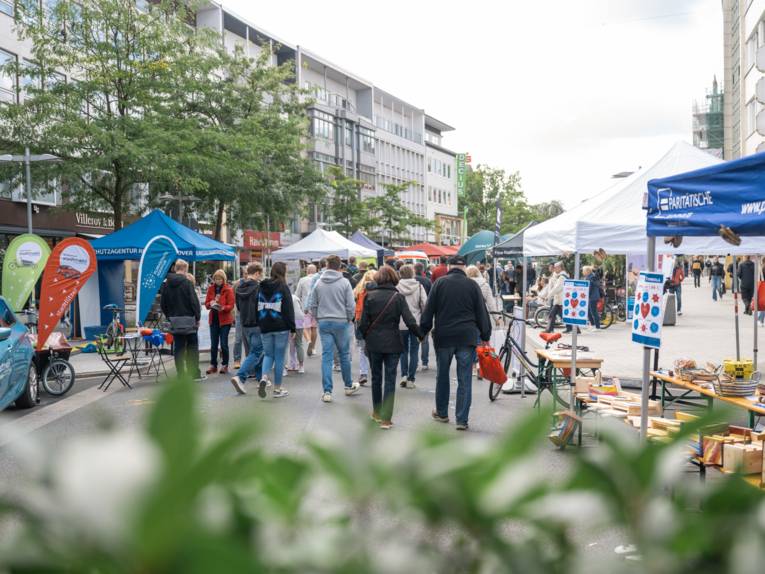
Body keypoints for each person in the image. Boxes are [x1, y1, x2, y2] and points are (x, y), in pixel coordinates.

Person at [420, 255, 492, 431]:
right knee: (465, 378)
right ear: (464, 267)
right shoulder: (473, 285)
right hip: (467, 337)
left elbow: (429, 310)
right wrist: (485, 334)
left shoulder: (439, 284)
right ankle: (462, 419)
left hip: (444, 336)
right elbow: (482, 312)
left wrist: (423, 330)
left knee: (442, 375)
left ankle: (442, 413)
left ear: (449, 267)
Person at [360, 266, 422, 430]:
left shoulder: (370, 296)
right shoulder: (398, 297)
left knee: (376, 378)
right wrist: (420, 334)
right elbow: (409, 321)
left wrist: (366, 336)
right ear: (394, 278)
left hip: (374, 343)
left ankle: (376, 413)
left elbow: (363, 323)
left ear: (378, 279)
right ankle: (387, 419)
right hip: (393, 343)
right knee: (389, 380)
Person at [310, 254, 359, 402]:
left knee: (327, 356)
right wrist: (349, 318)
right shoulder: (344, 283)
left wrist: (318, 318)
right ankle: (348, 386)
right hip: (341, 321)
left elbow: (313, 305)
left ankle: (327, 391)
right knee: (344, 355)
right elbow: (351, 305)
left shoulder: (318, 283)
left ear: (326, 265)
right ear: (339, 266)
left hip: (324, 321)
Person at [253, 262, 295, 399]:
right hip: (281, 326)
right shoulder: (283, 286)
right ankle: (277, 388)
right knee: (279, 357)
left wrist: (259, 322)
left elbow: (256, 305)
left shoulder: (262, 286)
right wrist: (293, 327)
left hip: (265, 325)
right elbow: (288, 308)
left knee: (268, 355)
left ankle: (264, 377)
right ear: (283, 272)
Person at [160, 259, 202, 381]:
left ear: (175, 268)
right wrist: (197, 317)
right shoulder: (187, 283)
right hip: (189, 320)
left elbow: (163, 304)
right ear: (185, 269)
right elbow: (194, 302)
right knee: (192, 347)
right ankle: (194, 374)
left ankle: (181, 375)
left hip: (175, 320)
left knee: (178, 348)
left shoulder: (167, 284)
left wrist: (170, 316)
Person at [230, 263, 265, 395]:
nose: (260, 277)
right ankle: (240, 376)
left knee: (254, 351)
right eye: (259, 274)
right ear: (256, 273)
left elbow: (238, 307)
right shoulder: (258, 287)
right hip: (257, 323)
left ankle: (261, 376)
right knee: (256, 352)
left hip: (245, 323)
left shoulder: (239, 287)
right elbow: (262, 306)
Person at [397, 264, 428, 389]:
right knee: (414, 351)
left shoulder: (397, 287)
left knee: (403, 351)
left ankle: (403, 375)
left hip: (401, 323)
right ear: (413, 273)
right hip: (416, 323)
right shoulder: (419, 287)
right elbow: (425, 305)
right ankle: (411, 379)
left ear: (400, 274)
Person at [204, 269, 235, 375]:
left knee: (224, 344)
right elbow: (206, 303)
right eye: (216, 279)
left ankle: (225, 364)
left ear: (223, 279)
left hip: (225, 320)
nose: (218, 281)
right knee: (213, 344)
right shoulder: (211, 289)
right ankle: (213, 365)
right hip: (214, 319)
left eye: (220, 279)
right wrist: (210, 303)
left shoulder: (228, 289)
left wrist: (223, 307)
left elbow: (231, 305)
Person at [353, 270, 376, 386]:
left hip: (360, 321)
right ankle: (375, 372)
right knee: (375, 348)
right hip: (374, 322)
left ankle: (363, 373)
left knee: (362, 348)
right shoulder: (378, 290)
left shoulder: (358, 291)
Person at [295, 262, 320, 356]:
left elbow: (297, 294)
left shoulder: (302, 280)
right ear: (316, 271)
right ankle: (313, 348)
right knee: (314, 328)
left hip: (305, 307)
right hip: (316, 307)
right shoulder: (319, 279)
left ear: (307, 271)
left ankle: (308, 341)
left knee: (305, 327)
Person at [414, 262, 432, 370]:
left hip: (412, 313)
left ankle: (414, 363)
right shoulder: (427, 281)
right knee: (424, 339)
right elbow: (431, 296)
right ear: (423, 270)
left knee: (413, 341)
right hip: (425, 312)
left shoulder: (412, 281)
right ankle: (425, 362)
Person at [545, 262, 571, 333]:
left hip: (561, 299)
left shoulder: (562, 277)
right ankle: (571, 328)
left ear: (560, 268)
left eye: (556, 267)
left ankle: (549, 329)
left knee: (554, 314)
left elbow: (557, 288)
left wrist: (548, 296)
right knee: (560, 315)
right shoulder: (559, 276)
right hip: (559, 299)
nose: (554, 268)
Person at [287, 290, 306, 374]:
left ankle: (292, 364)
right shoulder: (296, 297)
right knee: (299, 343)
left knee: (291, 344)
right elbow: (302, 308)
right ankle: (301, 366)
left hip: (289, 320)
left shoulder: (282, 297)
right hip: (299, 320)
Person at [584, 265, 602, 330]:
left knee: (593, 311)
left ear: (587, 271)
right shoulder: (591, 277)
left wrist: (585, 295)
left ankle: (597, 327)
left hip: (592, 297)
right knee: (589, 311)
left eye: (584, 271)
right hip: (592, 296)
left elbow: (589, 288)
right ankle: (593, 325)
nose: (583, 272)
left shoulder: (591, 277)